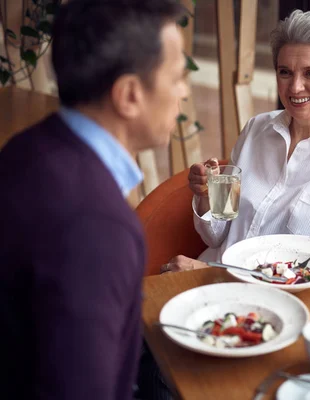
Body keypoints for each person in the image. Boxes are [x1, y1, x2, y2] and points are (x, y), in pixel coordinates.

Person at [0, 1, 188, 399]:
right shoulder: (96, 228)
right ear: (129, 95)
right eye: (176, 78)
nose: (185, 92)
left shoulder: (27, 148)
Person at [163, 10, 310, 273]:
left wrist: (208, 274)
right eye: (285, 72)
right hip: (208, 271)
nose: (295, 87)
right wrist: (206, 196)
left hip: (270, 296)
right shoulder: (256, 129)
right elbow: (216, 237)